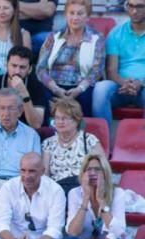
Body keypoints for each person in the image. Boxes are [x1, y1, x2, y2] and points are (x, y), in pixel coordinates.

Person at [62, 154, 129, 239]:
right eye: (88, 169)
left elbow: (118, 232)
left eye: (97, 169)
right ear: (83, 173)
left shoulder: (118, 194)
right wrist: (85, 199)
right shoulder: (75, 193)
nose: (92, 173)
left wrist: (101, 201)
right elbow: (72, 232)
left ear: (105, 173)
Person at [35, 0, 104, 118]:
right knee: (41, 94)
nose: (75, 17)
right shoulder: (53, 36)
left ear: (88, 16)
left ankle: (84, 133)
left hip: (82, 87)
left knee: (87, 96)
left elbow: (96, 70)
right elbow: (41, 68)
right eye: (71, 13)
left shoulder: (97, 38)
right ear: (66, 15)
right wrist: (55, 88)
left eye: (80, 13)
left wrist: (79, 89)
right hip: (54, 85)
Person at [92, 0, 145, 131]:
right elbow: (111, 71)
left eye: (139, 6)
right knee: (100, 89)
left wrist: (140, 83)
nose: (134, 11)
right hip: (120, 86)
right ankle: (104, 144)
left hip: (143, 87)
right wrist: (125, 83)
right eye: (130, 6)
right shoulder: (116, 33)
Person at [41, 97, 104, 192]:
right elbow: (45, 175)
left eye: (64, 118)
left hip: (83, 189)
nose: (60, 122)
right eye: (57, 118)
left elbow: (103, 169)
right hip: (58, 191)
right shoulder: (48, 143)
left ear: (77, 120)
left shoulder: (89, 140)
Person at [0, 46, 50, 128]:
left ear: (29, 69)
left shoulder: (37, 87)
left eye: (22, 67)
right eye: (14, 66)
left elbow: (36, 124)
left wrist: (24, 94)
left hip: (26, 134)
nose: (17, 71)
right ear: (6, 65)